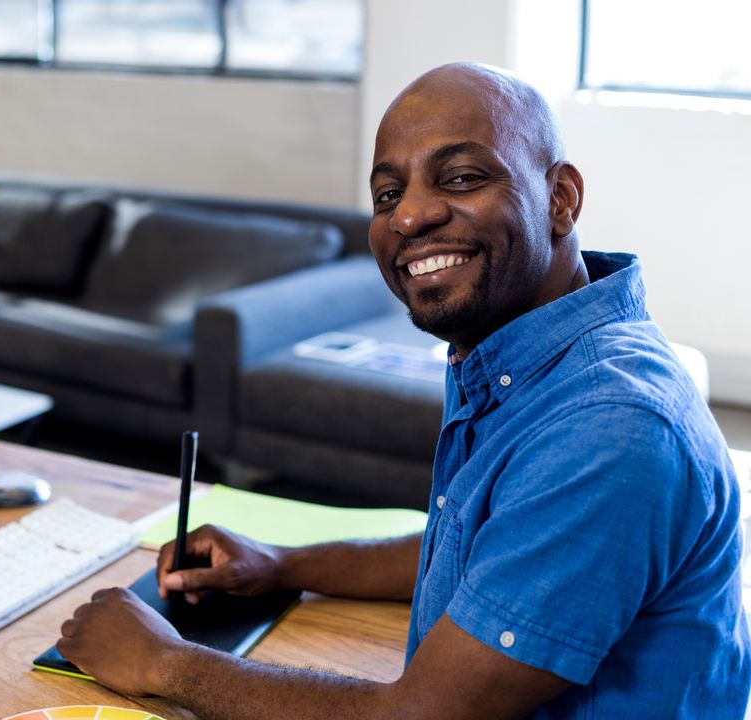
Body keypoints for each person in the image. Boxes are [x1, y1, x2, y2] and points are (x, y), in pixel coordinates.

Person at [55, 62, 750, 718]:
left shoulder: (609, 424)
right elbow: (485, 546)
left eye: (460, 177)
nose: (411, 217)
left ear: (560, 199)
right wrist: (281, 564)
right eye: (389, 194)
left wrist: (164, 664)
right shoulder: (520, 349)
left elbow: (422, 715)